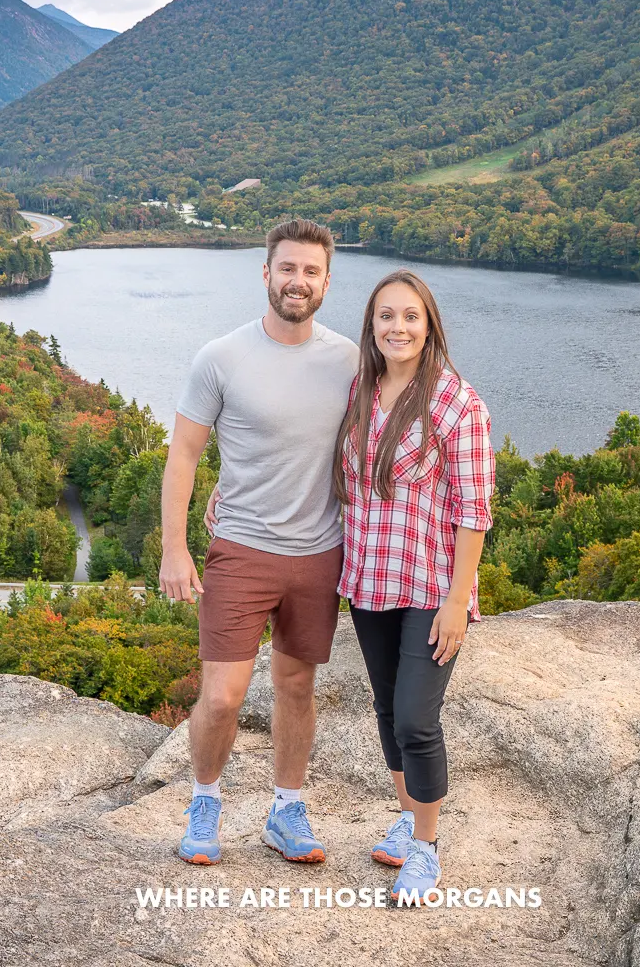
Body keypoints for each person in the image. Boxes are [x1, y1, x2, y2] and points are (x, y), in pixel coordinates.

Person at [159, 218, 359, 866]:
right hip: (241, 551)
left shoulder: (350, 361)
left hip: (318, 552)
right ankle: (205, 800)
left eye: (310, 271)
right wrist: (174, 548)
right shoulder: (220, 357)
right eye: (287, 268)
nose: (297, 281)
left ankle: (285, 810)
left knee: (297, 687)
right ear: (266, 273)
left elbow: (373, 447)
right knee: (222, 695)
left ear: (327, 282)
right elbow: (184, 456)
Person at [332, 269, 492, 904]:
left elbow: (474, 511)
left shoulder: (457, 402)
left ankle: (426, 848)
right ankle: (408, 817)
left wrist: (458, 600)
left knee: (416, 719)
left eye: (410, 317)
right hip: (369, 578)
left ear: (429, 327)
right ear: (371, 328)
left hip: (429, 583)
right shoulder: (360, 392)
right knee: (385, 709)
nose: (397, 328)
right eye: (385, 317)